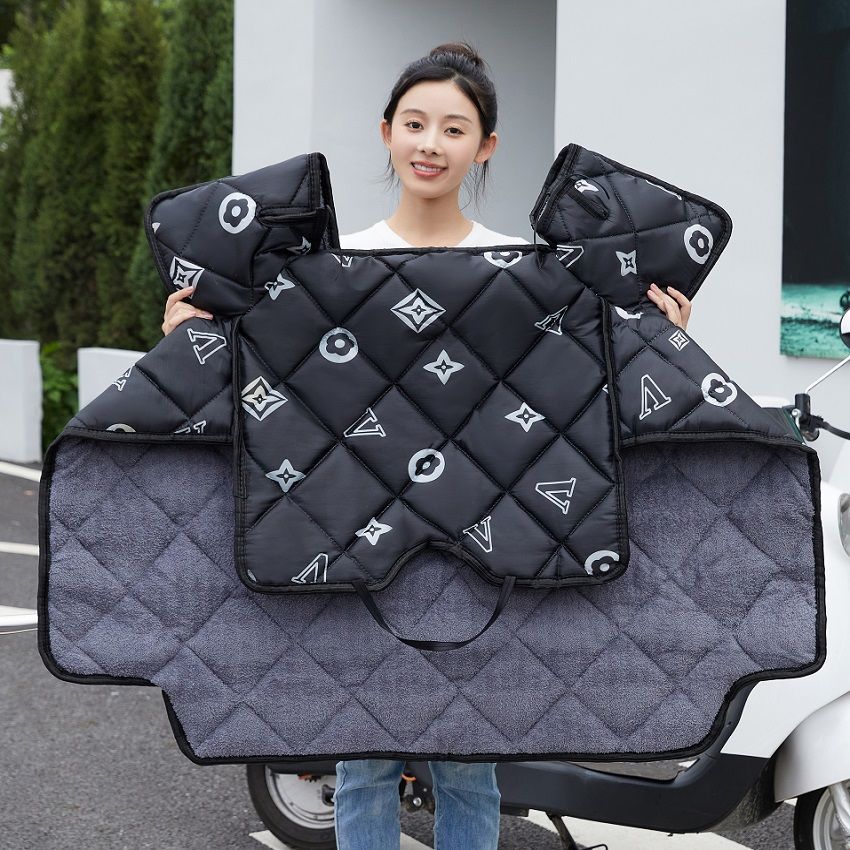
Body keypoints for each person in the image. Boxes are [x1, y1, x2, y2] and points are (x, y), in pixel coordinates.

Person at [159, 39, 692, 850]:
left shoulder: (526, 271)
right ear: (386, 133)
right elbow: (278, 385)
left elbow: (576, 384)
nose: (430, 144)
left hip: (487, 544)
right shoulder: (328, 267)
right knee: (364, 758)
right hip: (357, 538)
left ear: (486, 146)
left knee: (470, 762)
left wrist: (662, 339)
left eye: (453, 128)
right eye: (414, 124)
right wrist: (190, 343)